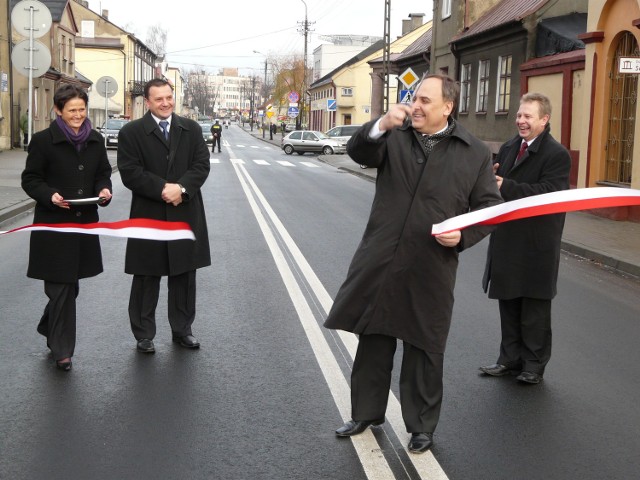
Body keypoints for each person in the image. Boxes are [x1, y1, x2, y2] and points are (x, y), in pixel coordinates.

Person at [324, 74, 503, 453]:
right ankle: (366, 413)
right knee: (373, 338)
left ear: (447, 107)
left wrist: (463, 235)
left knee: (424, 345)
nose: (415, 106)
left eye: (425, 100)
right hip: (382, 257)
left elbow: (489, 208)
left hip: (431, 264)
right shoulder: (396, 137)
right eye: (413, 98)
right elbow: (359, 152)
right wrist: (381, 124)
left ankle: (421, 426)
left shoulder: (474, 152)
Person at [479, 92, 571, 385]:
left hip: (537, 241)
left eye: (527, 116)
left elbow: (549, 196)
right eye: (519, 115)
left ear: (544, 119)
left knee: (534, 305)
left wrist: (506, 185)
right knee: (508, 300)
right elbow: (496, 186)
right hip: (508, 237)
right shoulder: (508, 148)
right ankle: (509, 359)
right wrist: (490, 179)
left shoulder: (557, 155)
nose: (521, 121)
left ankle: (533, 365)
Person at [21, 84, 113, 371]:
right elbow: (31, 179)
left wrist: (105, 190)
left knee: (70, 287)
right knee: (60, 287)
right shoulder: (43, 141)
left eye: (82, 110)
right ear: (58, 111)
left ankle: (50, 326)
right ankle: (63, 350)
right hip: (54, 225)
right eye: (72, 110)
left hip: (84, 224)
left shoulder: (96, 139)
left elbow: (103, 174)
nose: (78, 115)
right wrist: (50, 195)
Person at [117, 78, 211, 354]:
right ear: (147, 102)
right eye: (159, 99)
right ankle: (144, 334)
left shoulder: (190, 128)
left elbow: (201, 164)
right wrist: (163, 189)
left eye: (169, 97)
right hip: (150, 213)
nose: (166, 103)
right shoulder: (132, 132)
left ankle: (183, 330)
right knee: (147, 275)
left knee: (184, 274)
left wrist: (182, 188)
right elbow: (130, 172)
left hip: (184, 212)